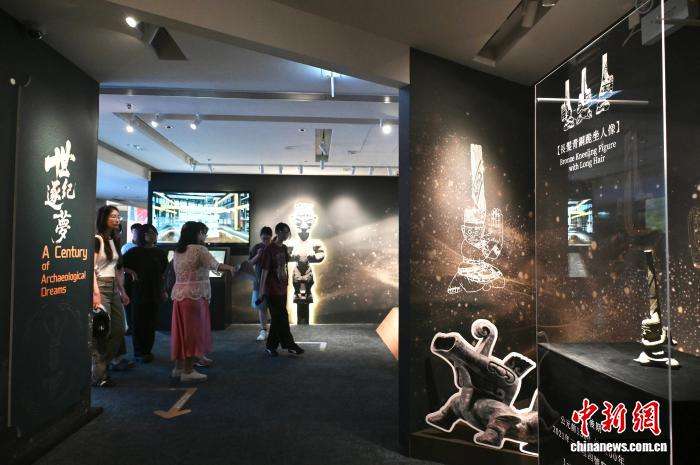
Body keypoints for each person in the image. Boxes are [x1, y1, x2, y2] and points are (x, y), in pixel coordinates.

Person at [170, 221, 234, 382]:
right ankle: (188, 371)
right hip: (195, 296)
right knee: (193, 333)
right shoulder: (199, 249)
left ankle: (178, 368)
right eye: (204, 233)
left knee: (181, 333)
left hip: (179, 295)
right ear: (198, 233)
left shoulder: (178, 251)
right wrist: (231, 268)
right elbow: (215, 265)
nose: (205, 236)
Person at [92, 205, 132, 387]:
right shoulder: (97, 240)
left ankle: (100, 365)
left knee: (119, 330)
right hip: (100, 287)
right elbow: (90, 269)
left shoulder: (113, 240)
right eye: (113, 216)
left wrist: (122, 291)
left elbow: (115, 269)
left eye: (118, 216)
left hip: (113, 288)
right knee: (102, 332)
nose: (117, 219)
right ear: (104, 218)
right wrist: (96, 294)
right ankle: (99, 375)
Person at [121, 224, 168, 363]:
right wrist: (131, 272)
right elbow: (119, 266)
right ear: (142, 235)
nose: (152, 235)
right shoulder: (134, 252)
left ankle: (147, 351)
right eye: (148, 233)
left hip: (154, 291)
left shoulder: (160, 253)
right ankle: (139, 352)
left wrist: (163, 290)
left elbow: (163, 274)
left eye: (154, 233)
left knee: (151, 322)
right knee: (138, 322)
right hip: (137, 291)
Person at [259, 222, 305, 357]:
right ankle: (288, 345)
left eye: (287, 232)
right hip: (272, 289)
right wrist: (261, 290)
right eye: (285, 232)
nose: (287, 235)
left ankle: (275, 346)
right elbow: (264, 271)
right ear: (278, 232)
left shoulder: (284, 248)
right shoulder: (269, 249)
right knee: (281, 317)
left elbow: (284, 266)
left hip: (282, 288)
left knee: (278, 318)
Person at [249, 226, 272, 341]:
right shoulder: (257, 247)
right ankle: (263, 330)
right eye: (264, 239)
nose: (265, 241)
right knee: (262, 307)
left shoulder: (274, 248)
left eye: (268, 239)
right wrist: (258, 255)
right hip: (258, 282)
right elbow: (249, 264)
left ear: (271, 237)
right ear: (260, 237)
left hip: (273, 284)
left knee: (274, 308)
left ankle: (275, 331)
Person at [121, 223, 141, 336]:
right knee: (128, 303)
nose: (136, 234)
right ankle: (130, 326)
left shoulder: (144, 247)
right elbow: (121, 265)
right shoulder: (126, 247)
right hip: (128, 278)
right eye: (135, 232)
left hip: (140, 278)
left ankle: (136, 326)